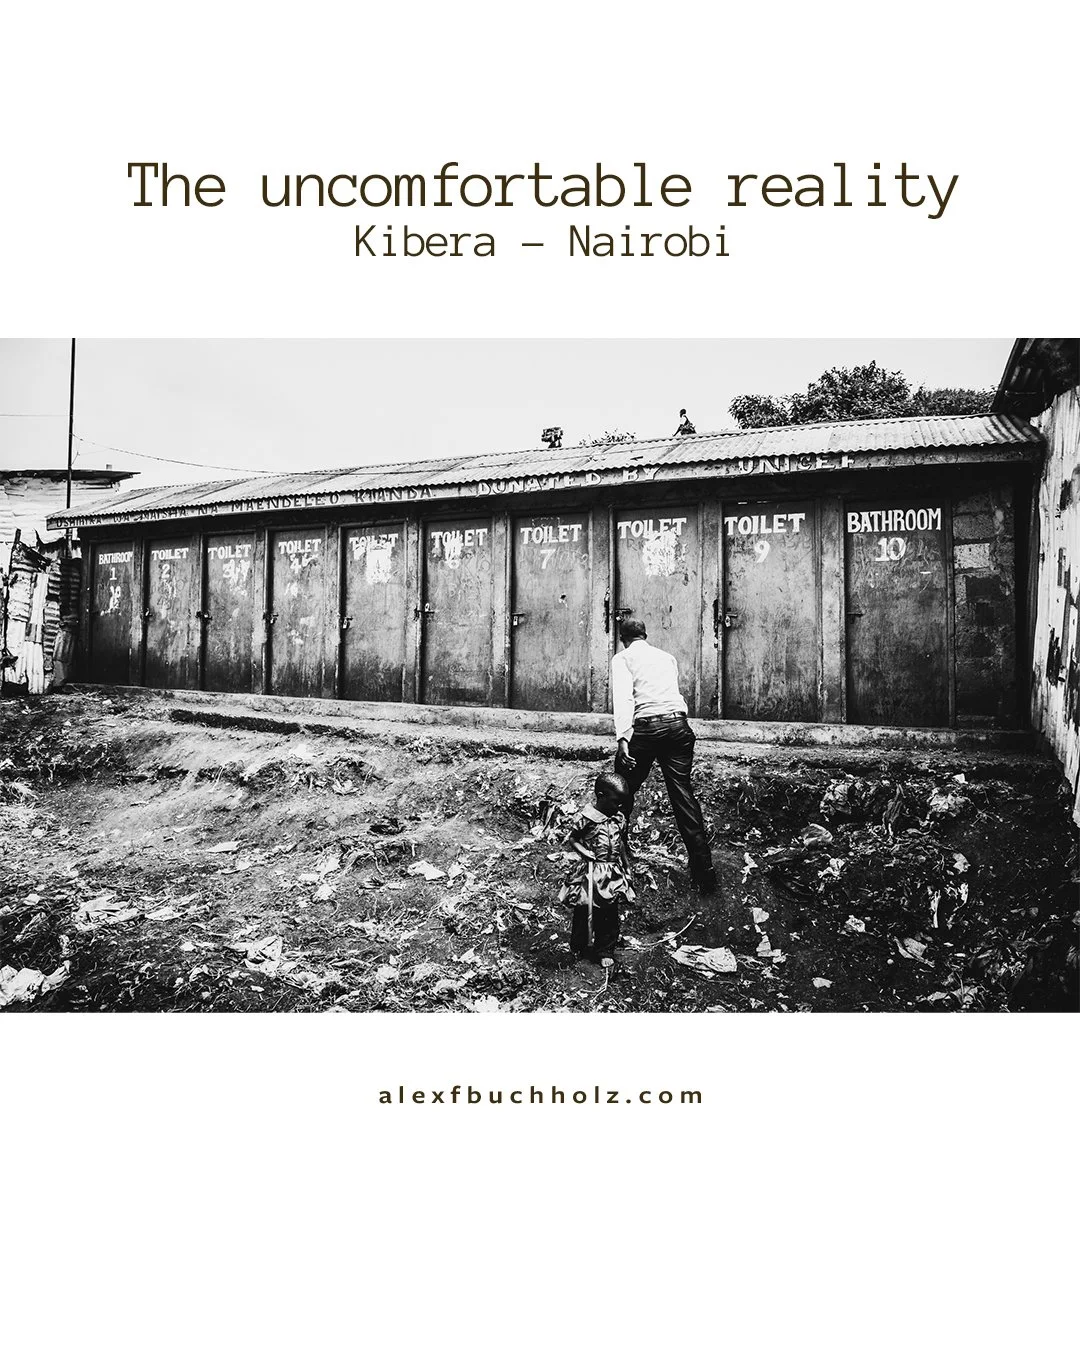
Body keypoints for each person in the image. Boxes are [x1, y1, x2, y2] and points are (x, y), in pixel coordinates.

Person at [611, 617, 718, 894]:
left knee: (620, 790)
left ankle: (612, 857)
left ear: (623, 638)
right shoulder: (667, 657)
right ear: (645, 635)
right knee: (682, 794)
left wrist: (623, 738)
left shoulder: (622, 659)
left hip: (647, 729)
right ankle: (704, 872)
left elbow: (624, 698)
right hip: (678, 727)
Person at [559, 771, 635, 964]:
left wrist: (626, 866)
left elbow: (621, 844)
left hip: (611, 874)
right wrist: (584, 852)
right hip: (591, 871)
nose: (619, 806)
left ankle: (605, 950)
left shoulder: (619, 818)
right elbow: (573, 839)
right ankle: (579, 946)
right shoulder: (587, 818)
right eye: (616, 802)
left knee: (610, 912)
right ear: (601, 796)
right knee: (584, 909)